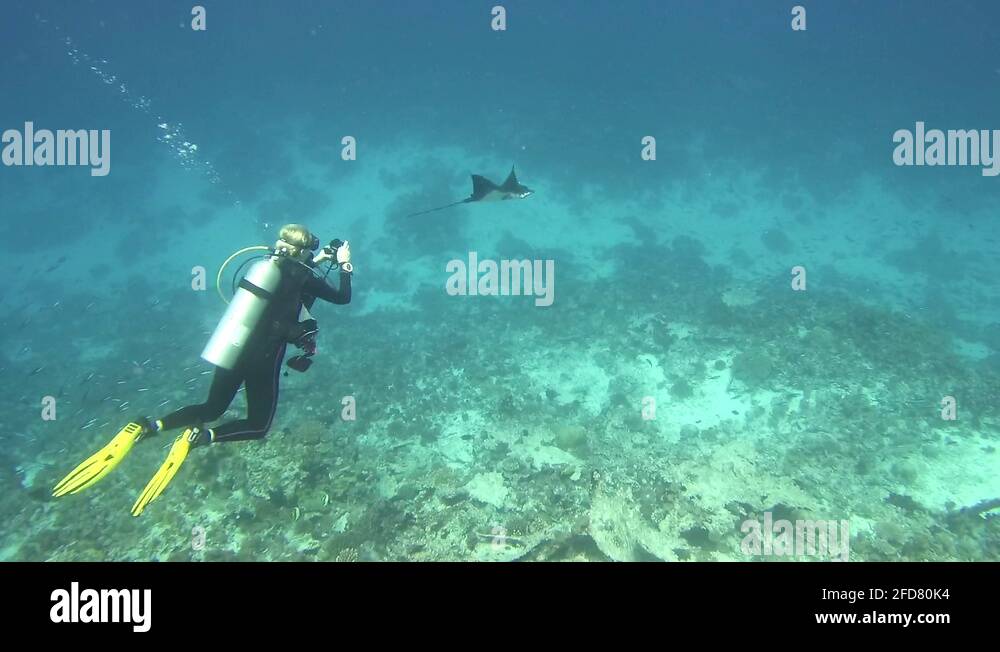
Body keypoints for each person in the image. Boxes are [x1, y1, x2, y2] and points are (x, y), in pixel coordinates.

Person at [52, 224, 353, 516]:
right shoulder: (301, 275)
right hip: (262, 357)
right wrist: (344, 265)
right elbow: (341, 297)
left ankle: (149, 427)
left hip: (233, 347)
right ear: (301, 251)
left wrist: (319, 258)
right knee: (259, 424)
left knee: (212, 406)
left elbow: (290, 281)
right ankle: (199, 438)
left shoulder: (264, 266)